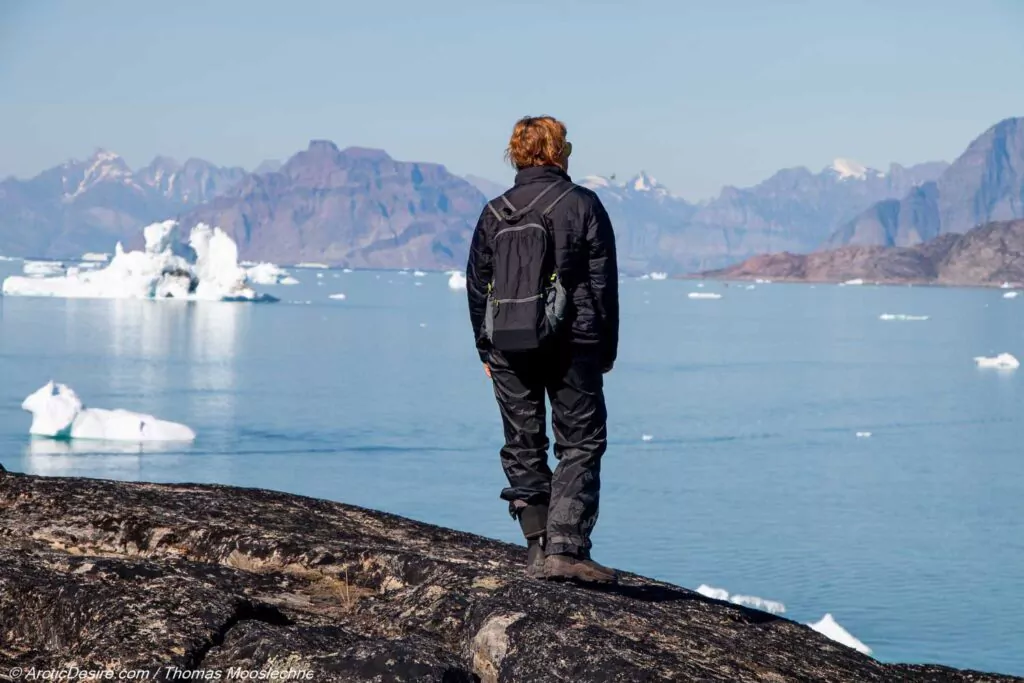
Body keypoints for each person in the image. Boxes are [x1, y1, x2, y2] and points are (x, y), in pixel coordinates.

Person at [466, 116, 619, 583]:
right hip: (573, 344)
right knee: (581, 440)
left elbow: (477, 286)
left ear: (516, 154)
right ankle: (567, 549)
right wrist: (604, 350)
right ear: (558, 152)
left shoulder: (494, 212)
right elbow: (602, 284)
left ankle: (537, 548)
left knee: (522, 441)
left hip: (508, 346)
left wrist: (485, 351)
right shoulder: (583, 205)